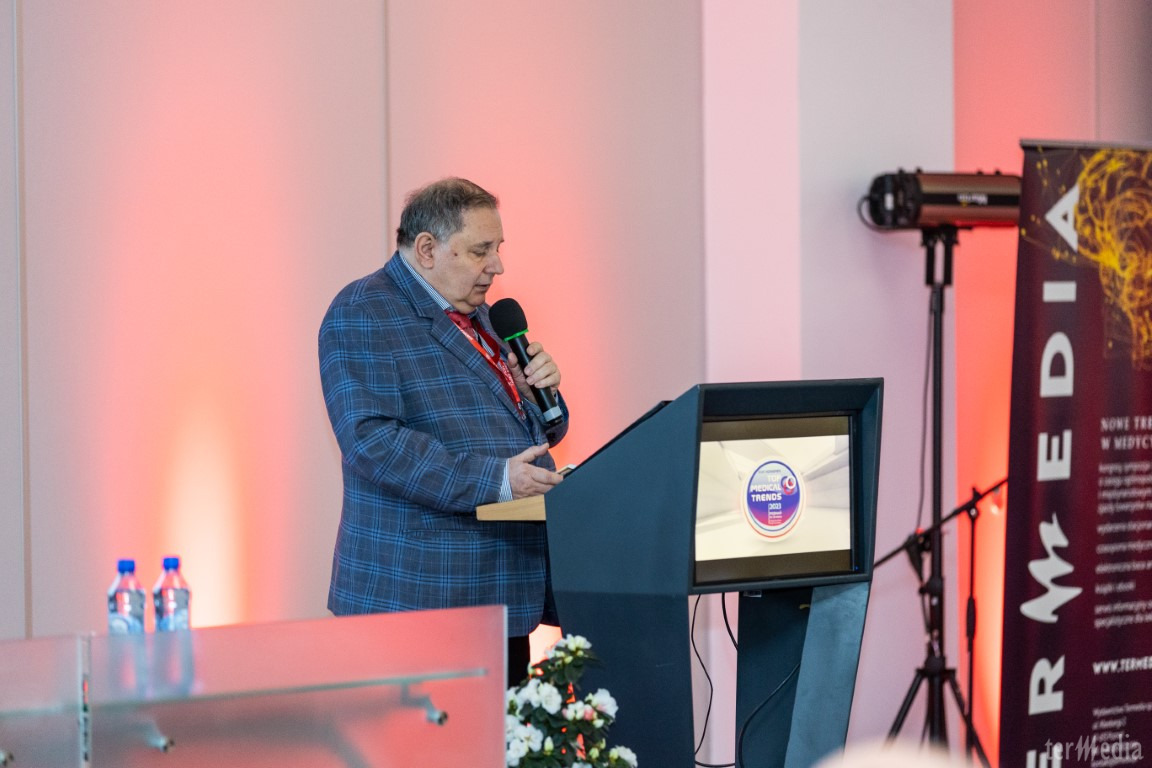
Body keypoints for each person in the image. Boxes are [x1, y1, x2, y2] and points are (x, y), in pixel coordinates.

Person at [318, 177, 568, 687]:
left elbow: (538, 431)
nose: (497, 266)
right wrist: (497, 480)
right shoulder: (363, 311)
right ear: (428, 249)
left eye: (498, 248)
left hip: (498, 598)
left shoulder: (485, 317)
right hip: (417, 601)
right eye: (480, 250)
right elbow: (373, 442)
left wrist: (538, 396)